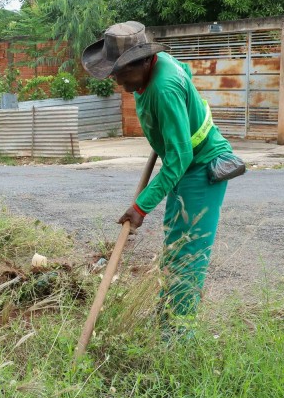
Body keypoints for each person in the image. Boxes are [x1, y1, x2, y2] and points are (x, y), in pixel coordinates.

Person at [81, 21, 242, 328]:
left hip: (200, 168)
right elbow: (187, 72)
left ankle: (179, 333)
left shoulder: (164, 89)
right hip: (182, 165)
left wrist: (141, 206)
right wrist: (172, 129)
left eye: (119, 72)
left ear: (142, 62)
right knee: (174, 246)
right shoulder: (161, 65)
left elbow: (180, 157)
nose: (116, 79)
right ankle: (166, 317)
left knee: (187, 253)